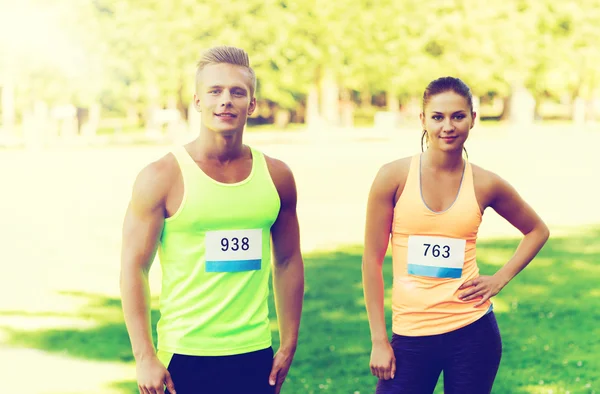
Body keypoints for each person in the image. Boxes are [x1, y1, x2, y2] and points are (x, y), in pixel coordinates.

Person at [120, 46, 304, 394]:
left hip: (254, 354)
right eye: (215, 91)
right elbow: (133, 266)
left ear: (251, 104)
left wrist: (289, 341)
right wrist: (144, 355)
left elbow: (288, 258)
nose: (226, 101)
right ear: (197, 101)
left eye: (237, 92)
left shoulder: (277, 176)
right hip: (185, 355)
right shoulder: (162, 177)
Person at [362, 76, 550, 393]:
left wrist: (500, 278)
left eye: (457, 116)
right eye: (437, 117)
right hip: (410, 335)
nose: (447, 126)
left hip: (472, 332)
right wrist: (379, 340)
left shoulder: (486, 183)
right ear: (422, 120)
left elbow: (536, 230)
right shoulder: (392, 177)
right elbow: (371, 261)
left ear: (473, 119)